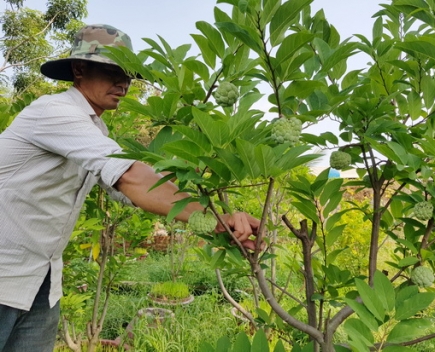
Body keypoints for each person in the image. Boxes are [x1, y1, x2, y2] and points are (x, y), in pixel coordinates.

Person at [0, 24, 260, 352]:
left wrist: (195, 185)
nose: (123, 84)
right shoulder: (54, 112)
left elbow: (123, 191)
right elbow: (131, 179)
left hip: (40, 281)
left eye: (128, 76)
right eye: (112, 72)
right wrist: (219, 219)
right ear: (79, 69)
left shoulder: (96, 129)